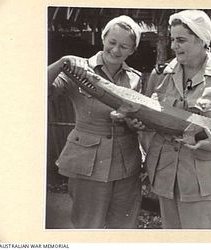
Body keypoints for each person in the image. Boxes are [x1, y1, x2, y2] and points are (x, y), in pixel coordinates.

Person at [142, 10, 211, 229]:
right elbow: (147, 117)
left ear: (202, 40)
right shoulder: (160, 75)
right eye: (173, 39)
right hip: (166, 175)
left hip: (206, 177)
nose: (174, 46)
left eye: (181, 40)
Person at [47, 15, 145, 229]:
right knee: (87, 226)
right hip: (88, 163)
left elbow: (137, 118)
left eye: (124, 46)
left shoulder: (135, 79)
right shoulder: (78, 69)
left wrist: (133, 123)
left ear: (132, 50)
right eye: (112, 42)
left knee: (124, 228)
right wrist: (61, 62)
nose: (116, 50)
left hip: (126, 165)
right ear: (103, 39)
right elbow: (40, 91)